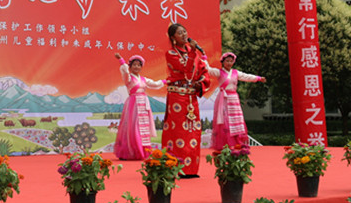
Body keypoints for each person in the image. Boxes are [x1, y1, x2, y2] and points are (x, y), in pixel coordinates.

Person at [162, 22, 210, 178]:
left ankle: (191, 169)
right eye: (179, 33)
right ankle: (175, 167)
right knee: (178, 132)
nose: (184, 34)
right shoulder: (171, 53)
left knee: (193, 131)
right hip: (177, 97)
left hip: (191, 97)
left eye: (185, 31)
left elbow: (204, 71)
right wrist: (193, 52)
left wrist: (200, 83)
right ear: (173, 37)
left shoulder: (193, 53)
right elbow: (185, 69)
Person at [206, 52, 266, 151]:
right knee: (225, 121)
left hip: (234, 99)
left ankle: (237, 143)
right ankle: (225, 144)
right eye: (227, 61)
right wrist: (204, 59)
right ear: (223, 62)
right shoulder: (219, 72)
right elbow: (208, 70)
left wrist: (258, 78)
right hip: (224, 99)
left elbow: (246, 76)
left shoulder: (236, 72)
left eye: (231, 61)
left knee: (236, 120)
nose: (229, 63)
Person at [113, 53, 165, 160]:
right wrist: (121, 60)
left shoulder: (144, 79)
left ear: (141, 67)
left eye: (138, 65)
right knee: (133, 126)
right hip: (133, 103)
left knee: (143, 127)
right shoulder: (128, 78)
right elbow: (125, 72)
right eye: (134, 65)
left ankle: (143, 151)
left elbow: (155, 84)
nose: (136, 67)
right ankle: (131, 151)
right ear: (130, 66)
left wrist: (166, 81)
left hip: (143, 104)